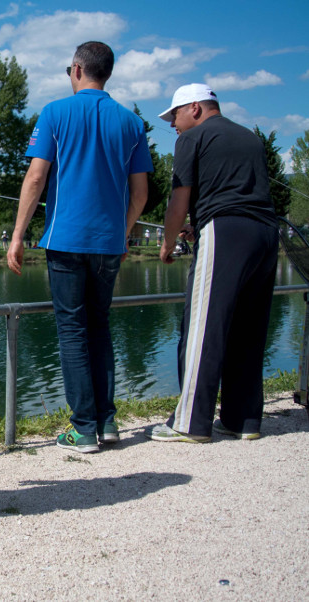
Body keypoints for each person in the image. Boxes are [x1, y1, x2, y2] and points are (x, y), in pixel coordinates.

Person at [7, 41, 152, 453]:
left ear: (75, 69)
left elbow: (36, 179)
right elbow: (140, 194)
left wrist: (17, 236)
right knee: (100, 326)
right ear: (106, 73)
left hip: (66, 241)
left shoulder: (54, 113)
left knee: (72, 330)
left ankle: (83, 428)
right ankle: (107, 422)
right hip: (109, 244)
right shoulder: (130, 123)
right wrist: (123, 234)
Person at [150, 84, 278, 443]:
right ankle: (244, 420)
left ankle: (190, 423)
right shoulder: (250, 138)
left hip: (225, 230)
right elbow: (239, 193)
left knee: (202, 327)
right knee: (248, 329)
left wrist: (169, 241)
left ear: (194, 108)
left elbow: (179, 198)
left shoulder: (192, 139)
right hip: (266, 235)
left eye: (174, 115)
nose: (173, 124)